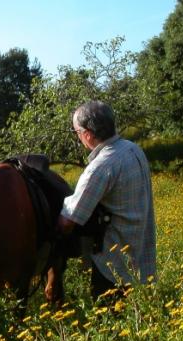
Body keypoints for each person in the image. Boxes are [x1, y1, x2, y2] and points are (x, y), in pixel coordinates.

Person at [57, 100, 156, 301]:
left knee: (110, 322)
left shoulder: (101, 166)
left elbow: (68, 221)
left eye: (76, 132)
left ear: (87, 134)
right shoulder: (133, 149)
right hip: (142, 259)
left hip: (114, 266)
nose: (78, 137)